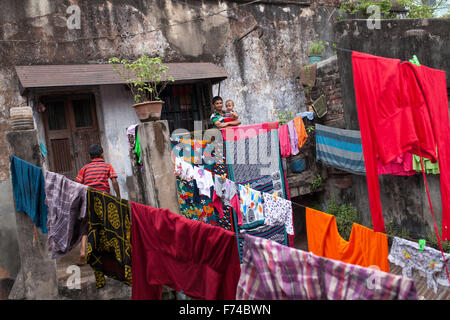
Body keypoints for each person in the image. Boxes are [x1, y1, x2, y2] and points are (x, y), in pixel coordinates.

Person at [75, 144, 121, 265]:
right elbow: (114, 181)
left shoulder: (84, 168)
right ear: (102, 154)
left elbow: (77, 185)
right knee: (109, 225)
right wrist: (118, 197)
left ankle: (82, 252)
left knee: (86, 226)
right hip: (104, 199)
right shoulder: (107, 166)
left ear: (89, 156)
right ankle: (113, 252)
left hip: (89, 199)